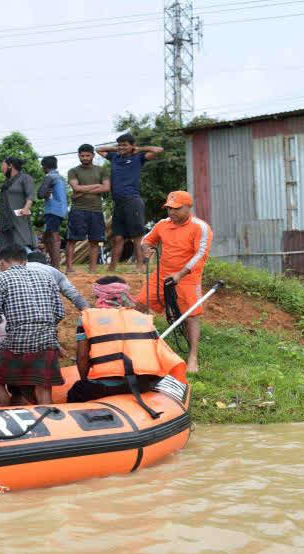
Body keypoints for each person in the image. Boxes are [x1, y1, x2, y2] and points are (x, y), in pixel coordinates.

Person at [68, 276, 185, 414]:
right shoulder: (143, 318)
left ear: (99, 295)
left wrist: (83, 380)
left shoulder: (87, 318)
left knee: (76, 391)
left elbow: (82, 357)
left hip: (105, 387)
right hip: (143, 384)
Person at [136, 190, 213, 374]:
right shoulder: (163, 224)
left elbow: (201, 254)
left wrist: (181, 273)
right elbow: (147, 240)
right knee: (140, 304)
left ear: (188, 207)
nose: (171, 213)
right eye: (169, 208)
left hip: (187, 277)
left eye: (176, 209)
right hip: (162, 274)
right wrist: (147, 248)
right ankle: (139, 347)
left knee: (191, 316)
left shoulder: (200, 227)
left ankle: (193, 356)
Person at [0, 246, 65, 405]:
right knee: (43, 387)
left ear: (2, 262)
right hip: (47, 340)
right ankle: (48, 423)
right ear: (25, 261)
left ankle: (6, 416)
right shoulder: (47, 277)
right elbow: (59, 313)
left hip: (17, 341)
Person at [96, 134, 164, 273]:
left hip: (133, 201)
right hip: (118, 203)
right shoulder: (114, 157)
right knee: (118, 237)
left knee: (137, 237)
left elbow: (158, 150)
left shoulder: (138, 158)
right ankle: (112, 268)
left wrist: (139, 149)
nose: (121, 147)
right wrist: (117, 149)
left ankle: (140, 267)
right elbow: (99, 149)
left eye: (125, 144)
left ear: (132, 145)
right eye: (119, 144)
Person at [67, 144, 111, 275]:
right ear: (78, 156)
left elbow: (106, 188)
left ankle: (93, 270)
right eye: (82, 155)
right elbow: (76, 188)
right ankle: (69, 268)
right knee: (72, 239)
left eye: (87, 155)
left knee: (95, 240)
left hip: (96, 210)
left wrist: (82, 190)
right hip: (78, 209)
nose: (85, 158)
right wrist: (96, 186)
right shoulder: (73, 171)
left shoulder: (101, 170)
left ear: (93, 155)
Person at [25, 251, 90, 310]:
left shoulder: (18, 269)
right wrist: (87, 310)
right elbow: (73, 294)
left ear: (26, 261)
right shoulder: (53, 270)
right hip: (47, 316)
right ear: (46, 263)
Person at [0, 157, 36, 253]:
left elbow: (30, 195)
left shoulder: (25, 178)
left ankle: (31, 265)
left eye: (3, 165)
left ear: (10, 166)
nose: (2, 168)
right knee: (7, 249)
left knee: (22, 244)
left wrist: (26, 208)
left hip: (19, 217)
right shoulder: (6, 183)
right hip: (5, 219)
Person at [37, 155, 68, 268]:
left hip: (52, 210)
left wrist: (45, 193)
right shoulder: (61, 177)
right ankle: (53, 263)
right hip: (61, 209)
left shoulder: (49, 177)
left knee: (52, 237)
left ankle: (56, 267)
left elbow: (40, 194)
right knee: (46, 237)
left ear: (44, 167)